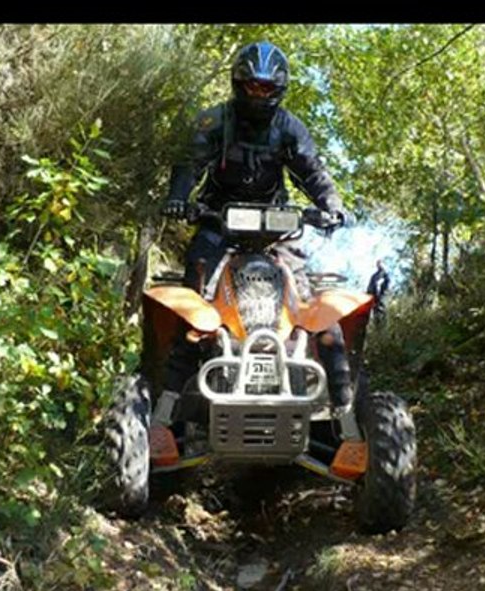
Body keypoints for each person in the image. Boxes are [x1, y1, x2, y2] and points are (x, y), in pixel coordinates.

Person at [153, 40, 356, 438]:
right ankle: (165, 416)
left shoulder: (289, 128)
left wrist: (332, 206)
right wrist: (179, 198)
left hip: (275, 231)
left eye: (267, 88)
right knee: (192, 307)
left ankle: (345, 422)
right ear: (238, 83)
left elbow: (313, 171)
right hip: (218, 224)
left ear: (279, 89)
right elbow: (189, 164)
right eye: (252, 86)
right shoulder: (215, 121)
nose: (259, 94)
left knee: (316, 314)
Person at [366, 260, 390, 325]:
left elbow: (386, 286)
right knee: (377, 317)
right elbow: (370, 288)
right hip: (376, 301)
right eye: (378, 264)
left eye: (380, 263)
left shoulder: (386, 276)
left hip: (382, 300)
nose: (379, 265)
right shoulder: (374, 276)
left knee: (382, 316)